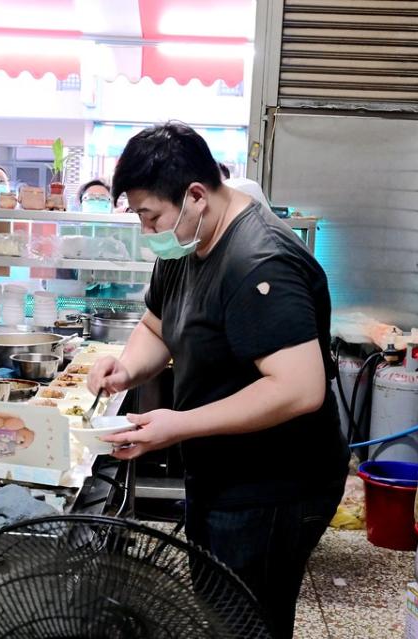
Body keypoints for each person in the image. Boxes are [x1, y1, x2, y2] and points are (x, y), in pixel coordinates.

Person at [87, 122, 348, 639]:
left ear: (196, 196)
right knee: (220, 613)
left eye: (150, 216)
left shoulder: (259, 261)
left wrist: (179, 425)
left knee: (249, 624)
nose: (147, 230)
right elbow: (157, 325)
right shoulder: (184, 248)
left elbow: (298, 388)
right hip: (220, 471)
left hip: (273, 485)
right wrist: (126, 367)